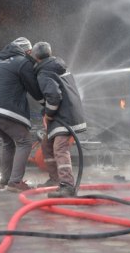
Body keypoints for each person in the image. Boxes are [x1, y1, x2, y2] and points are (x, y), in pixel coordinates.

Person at [0, 37, 44, 192]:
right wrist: (46, 104)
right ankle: (15, 182)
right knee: (25, 141)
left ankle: (4, 181)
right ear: (27, 51)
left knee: (8, 142)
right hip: (1, 109)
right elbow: (33, 88)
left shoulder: (1, 63)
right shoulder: (23, 62)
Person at [31, 41, 87, 198]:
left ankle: (67, 186)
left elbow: (54, 96)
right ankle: (55, 179)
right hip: (66, 114)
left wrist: (48, 114)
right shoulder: (58, 66)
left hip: (64, 116)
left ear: (35, 57)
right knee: (47, 143)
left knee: (60, 148)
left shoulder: (43, 73)